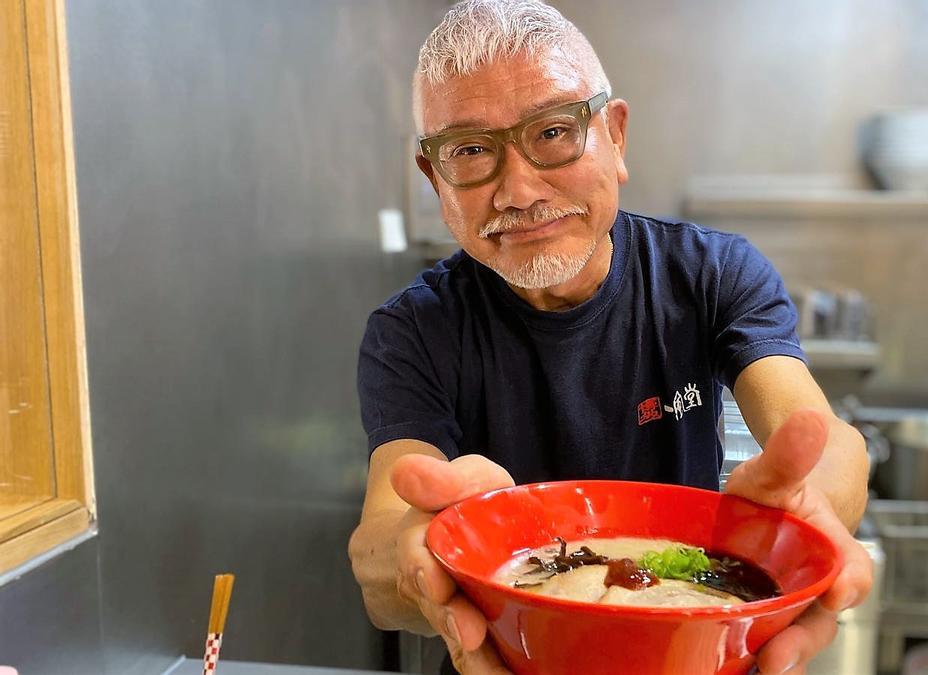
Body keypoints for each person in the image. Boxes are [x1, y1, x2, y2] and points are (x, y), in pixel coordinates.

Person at [348, 1, 872, 673]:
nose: (519, 190)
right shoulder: (413, 330)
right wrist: (426, 549)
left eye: (553, 132)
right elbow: (377, 552)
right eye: (471, 151)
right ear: (436, 178)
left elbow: (823, 440)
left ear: (616, 136)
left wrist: (806, 515)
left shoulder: (710, 274)